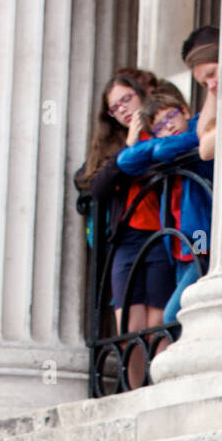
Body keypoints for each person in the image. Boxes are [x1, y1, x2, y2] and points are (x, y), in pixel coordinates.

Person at [75, 68, 176, 351]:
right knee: (129, 327)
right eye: (114, 107)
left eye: (126, 99)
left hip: (162, 234)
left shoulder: (161, 127)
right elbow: (94, 185)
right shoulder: (111, 145)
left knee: (157, 324)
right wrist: (129, 145)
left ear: (141, 95)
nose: (122, 109)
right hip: (126, 237)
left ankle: (156, 389)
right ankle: (135, 390)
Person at [117, 79, 216, 327]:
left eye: (171, 116)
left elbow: (166, 150)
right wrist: (153, 144)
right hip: (179, 248)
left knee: (173, 316)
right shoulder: (170, 147)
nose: (168, 125)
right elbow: (125, 161)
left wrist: (158, 146)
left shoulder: (198, 132)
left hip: (201, 241)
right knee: (188, 312)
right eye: (159, 126)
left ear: (184, 111)